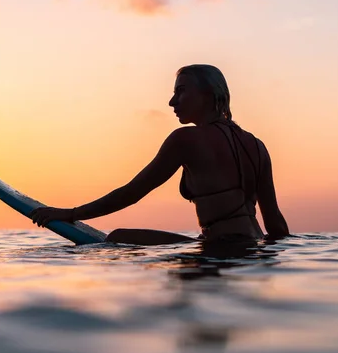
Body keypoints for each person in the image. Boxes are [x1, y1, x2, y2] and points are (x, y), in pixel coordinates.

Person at [31, 64, 289, 245]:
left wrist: (70, 214)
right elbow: (276, 225)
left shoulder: (186, 139)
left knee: (118, 237)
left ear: (208, 95)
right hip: (251, 249)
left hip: (220, 252)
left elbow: (132, 193)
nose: (172, 101)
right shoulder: (257, 145)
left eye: (181, 91)